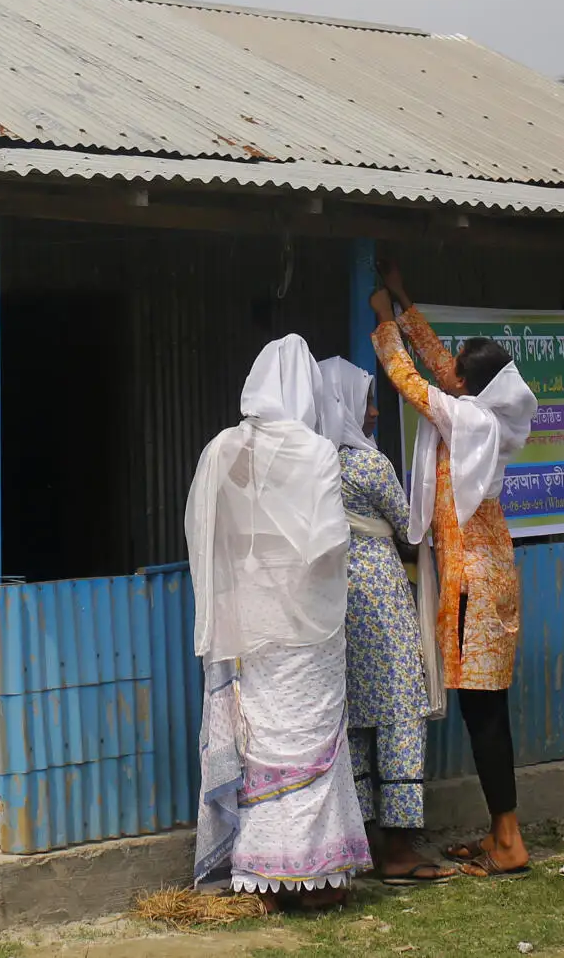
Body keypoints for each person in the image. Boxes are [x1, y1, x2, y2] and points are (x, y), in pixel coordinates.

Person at [188, 335, 371, 904]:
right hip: (307, 620)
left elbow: (205, 531)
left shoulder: (223, 449)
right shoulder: (316, 452)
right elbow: (328, 542)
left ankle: (265, 874)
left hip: (250, 616)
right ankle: (317, 877)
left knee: (263, 736)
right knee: (310, 731)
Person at [367, 265, 537, 875]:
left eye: (461, 370)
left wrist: (385, 324)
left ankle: (509, 842)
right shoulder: (486, 411)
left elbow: (412, 380)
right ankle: (501, 836)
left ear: (472, 384)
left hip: (475, 581)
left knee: (483, 713)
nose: (451, 372)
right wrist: (408, 301)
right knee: (485, 710)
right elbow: (442, 367)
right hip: (488, 574)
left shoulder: (467, 420)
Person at [314, 355, 455, 883]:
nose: (374, 413)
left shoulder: (313, 463)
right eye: (367, 401)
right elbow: (409, 525)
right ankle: (399, 850)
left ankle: (363, 842)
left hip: (331, 600)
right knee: (399, 707)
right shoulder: (370, 465)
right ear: (345, 404)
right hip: (379, 596)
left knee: (351, 716)